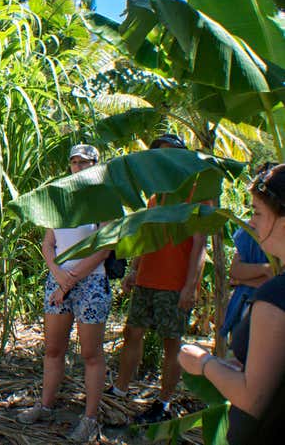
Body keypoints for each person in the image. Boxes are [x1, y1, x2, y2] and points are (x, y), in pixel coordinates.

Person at [105, 133, 208, 424]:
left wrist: (191, 285)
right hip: (147, 278)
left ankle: (163, 402)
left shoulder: (195, 193)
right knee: (132, 333)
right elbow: (146, 238)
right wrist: (134, 270)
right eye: (159, 153)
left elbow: (200, 244)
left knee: (171, 342)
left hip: (175, 283)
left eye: (171, 152)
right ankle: (120, 389)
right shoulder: (156, 197)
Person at [179, 164, 285, 444]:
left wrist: (203, 363)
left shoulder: (275, 296)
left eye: (258, 213)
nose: (252, 223)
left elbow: (253, 399)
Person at [17, 144, 111, 443]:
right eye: (74, 162)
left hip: (91, 283)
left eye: (85, 162)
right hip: (57, 281)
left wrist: (67, 282)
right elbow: (49, 243)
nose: (78, 167)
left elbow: (104, 248)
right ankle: (45, 406)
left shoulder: (104, 200)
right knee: (53, 350)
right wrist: (57, 274)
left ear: (96, 165)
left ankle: (90, 419)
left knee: (91, 354)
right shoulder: (59, 198)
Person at [219, 164, 276, 339]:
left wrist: (246, 279)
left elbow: (274, 282)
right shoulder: (248, 231)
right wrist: (266, 270)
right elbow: (235, 271)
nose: (252, 220)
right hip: (243, 305)